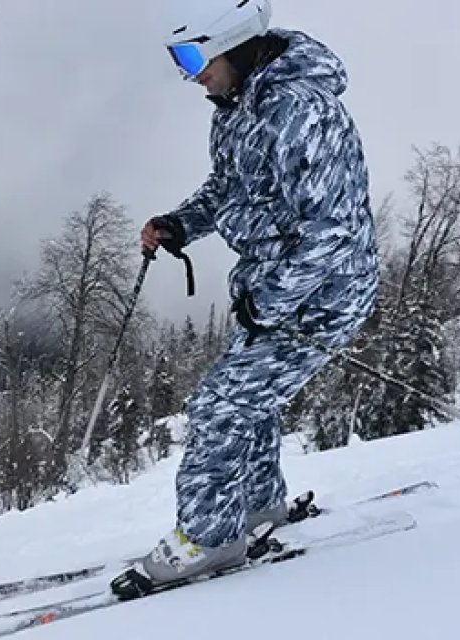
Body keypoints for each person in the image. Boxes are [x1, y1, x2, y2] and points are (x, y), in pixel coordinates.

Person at [114, 0, 379, 596]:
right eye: (176, 60)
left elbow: (333, 230)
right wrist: (180, 223)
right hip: (277, 288)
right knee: (245, 399)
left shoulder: (303, 113)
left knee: (219, 407)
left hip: (325, 294)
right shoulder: (237, 109)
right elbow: (227, 190)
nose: (189, 74)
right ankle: (257, 510)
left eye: (191, 56)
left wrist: (275, 299)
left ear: (229, 42)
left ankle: (209, 540)